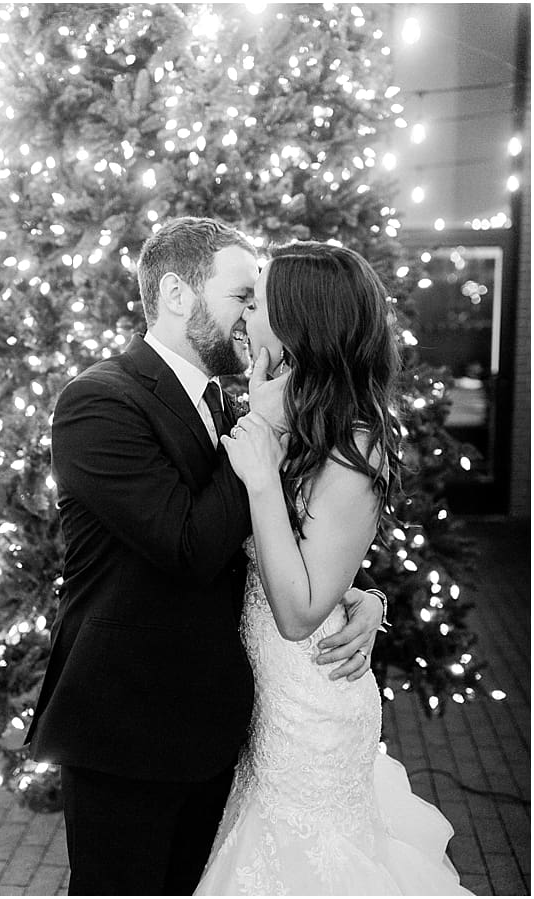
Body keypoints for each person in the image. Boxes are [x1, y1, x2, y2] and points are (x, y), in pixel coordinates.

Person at [26, 217, 386, 895]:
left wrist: (360, 594)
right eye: (241, 295)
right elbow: (189, 545)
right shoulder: (100, 401)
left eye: (258, 299)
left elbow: (280, 539)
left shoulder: (234, 402)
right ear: (176, 294)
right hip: (128, 727)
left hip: (223, 729)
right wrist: (267, 429)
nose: (253, 315)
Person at [194, 242, 470, 894]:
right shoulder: (283, 406)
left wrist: (261, 476)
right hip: (266, 707)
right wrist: (365, 593)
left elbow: (297, 610)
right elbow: (313, 556)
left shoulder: (357, 441)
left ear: (300, 320)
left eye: (259, 300)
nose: (245, 311)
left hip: (312, 707)